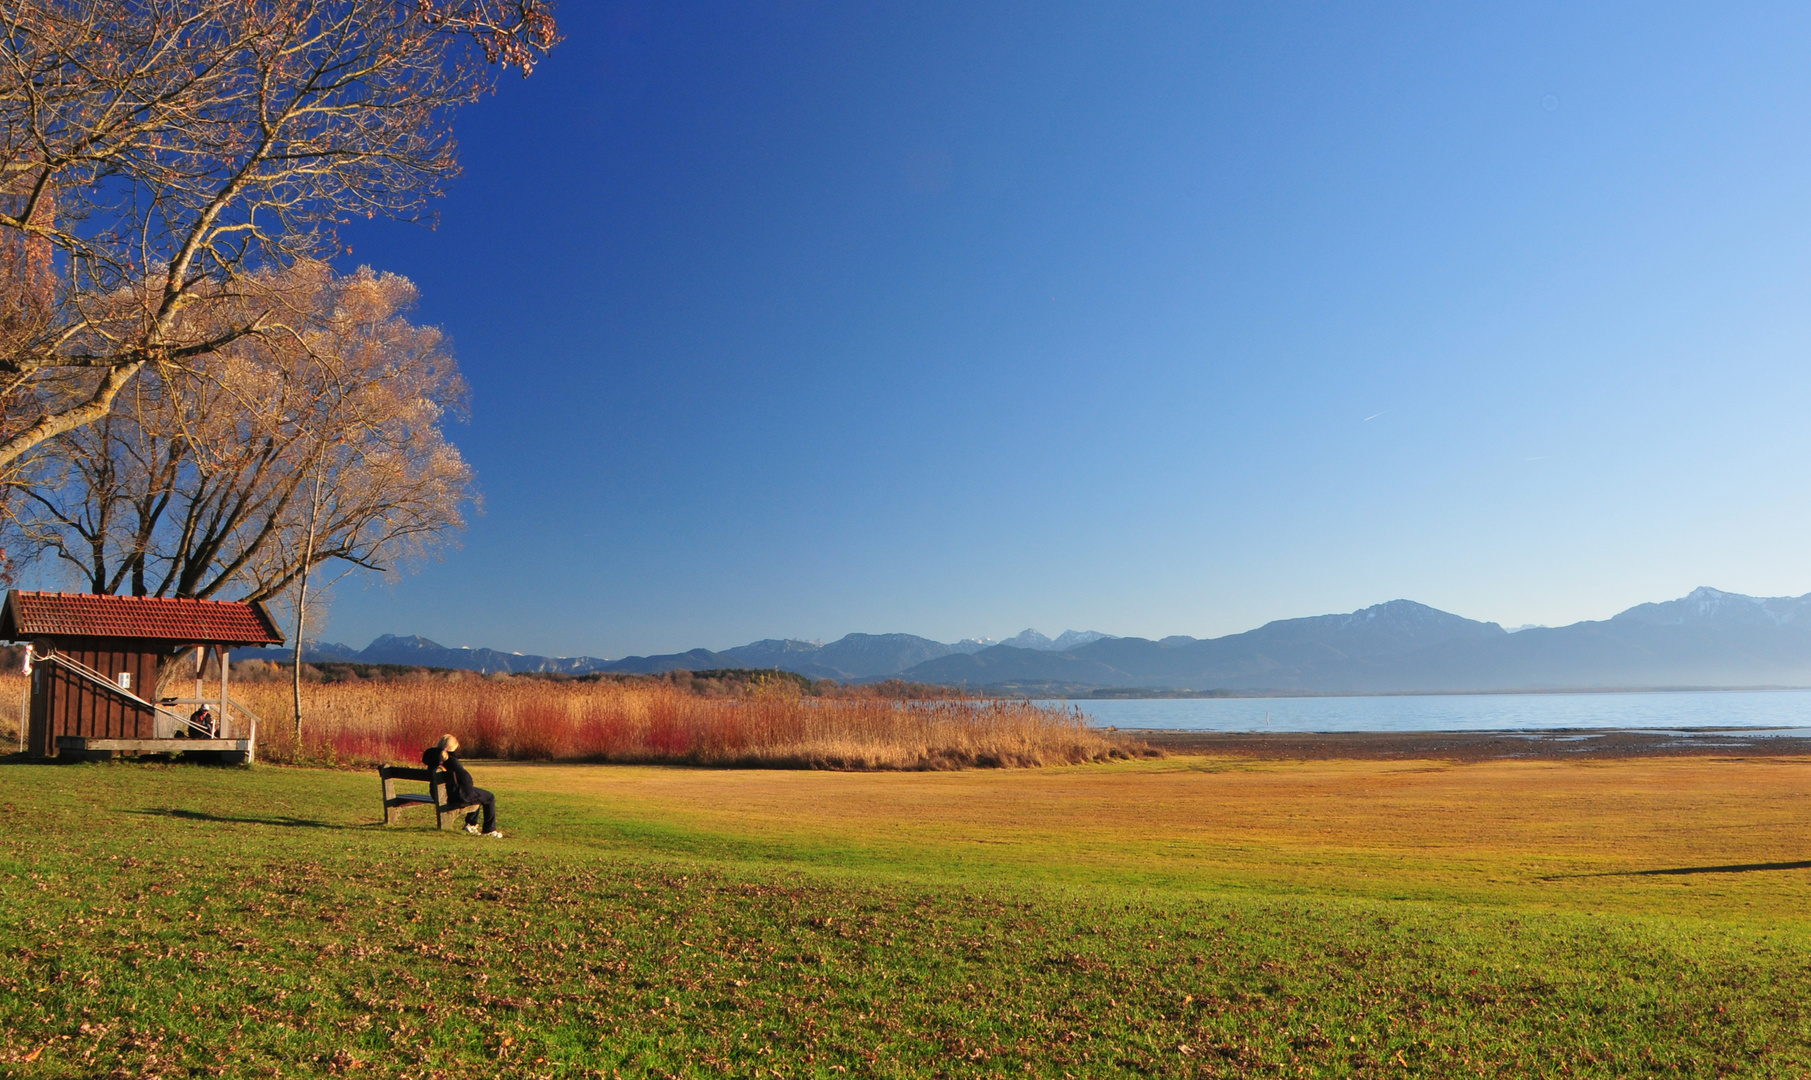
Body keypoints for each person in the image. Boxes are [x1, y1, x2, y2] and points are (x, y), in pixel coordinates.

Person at [422, 734, 501, 838]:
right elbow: (467, 781)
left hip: (437, 794)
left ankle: (471, 824)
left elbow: (429, 754)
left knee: (476, 794)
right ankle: (489, 830)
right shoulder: (451, 761)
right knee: (489, 797)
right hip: (454, 795)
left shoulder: (431, 758)